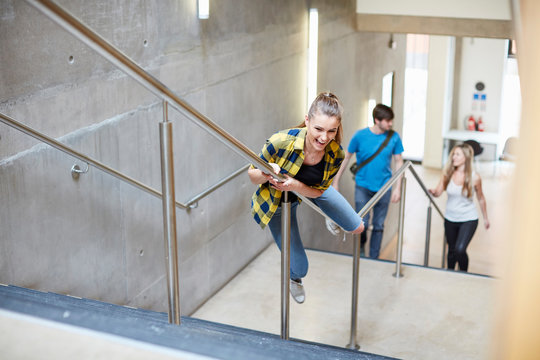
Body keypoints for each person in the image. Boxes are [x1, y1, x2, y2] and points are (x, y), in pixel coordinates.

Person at [248, 92, 364, 304]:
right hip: (279, 200)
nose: (324, 137)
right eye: (318, 129)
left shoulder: (335, 154)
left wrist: (296, 185)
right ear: (307, 120)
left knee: (357, 227)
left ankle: (330, 215)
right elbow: (252, 175)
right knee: (301, 267)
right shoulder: (281, 141)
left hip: (312, 187)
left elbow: (319, 190)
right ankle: (295, 279)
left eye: (332, 131)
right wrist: (266, 171)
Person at [332, 104, 404, 259]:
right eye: (387, 120)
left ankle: (374, 258)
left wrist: (398, 188)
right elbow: (346, 158)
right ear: (377, 120)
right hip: (363, 186)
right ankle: (361, 251)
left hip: (384, 188)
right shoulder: (360, 136)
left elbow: (399, 162)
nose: (391, 123)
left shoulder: (394, 137)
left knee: (378, 226)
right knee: (361, 223)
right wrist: (335, 182)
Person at [428, 143, 490, 272]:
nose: (453, 157)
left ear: (466, 158)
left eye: (457, 154)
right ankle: (450, 275)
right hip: (450, 218)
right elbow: (439, 191)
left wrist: (485, 218)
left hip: (469, 218)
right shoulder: (447, 174)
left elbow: (481, 198)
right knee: (451, 251)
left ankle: (463, 274)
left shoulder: (475, 177)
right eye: (453, 154)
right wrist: (433, 192)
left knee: (460, 249)